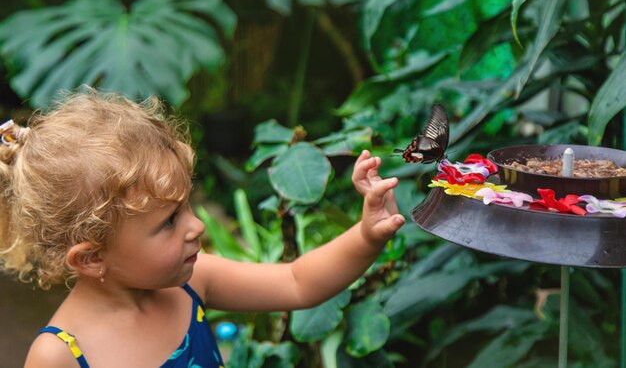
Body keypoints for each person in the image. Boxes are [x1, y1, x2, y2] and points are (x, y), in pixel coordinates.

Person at [0, 91, 405, 368]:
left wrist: (367, 234)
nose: (196, 226)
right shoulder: (60, 355)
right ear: (92, 257)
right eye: (169, 221)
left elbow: (298, 283)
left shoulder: (193, 282)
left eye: (187, 205)